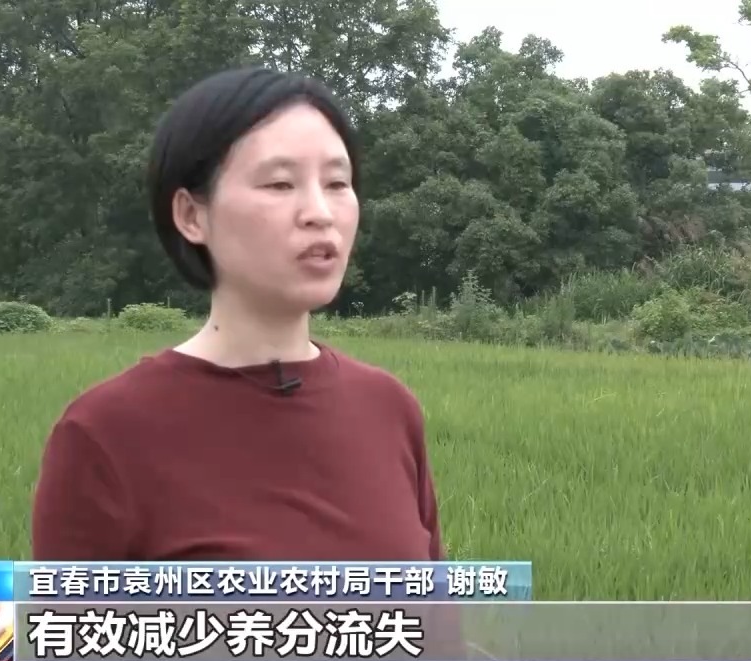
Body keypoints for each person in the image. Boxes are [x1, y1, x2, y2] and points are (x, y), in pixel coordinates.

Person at [31, 67, 450, 567]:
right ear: (191, 216)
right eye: (280, 183)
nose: (320, 212)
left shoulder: (389, 408)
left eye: (338, 182)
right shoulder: (105, 433)